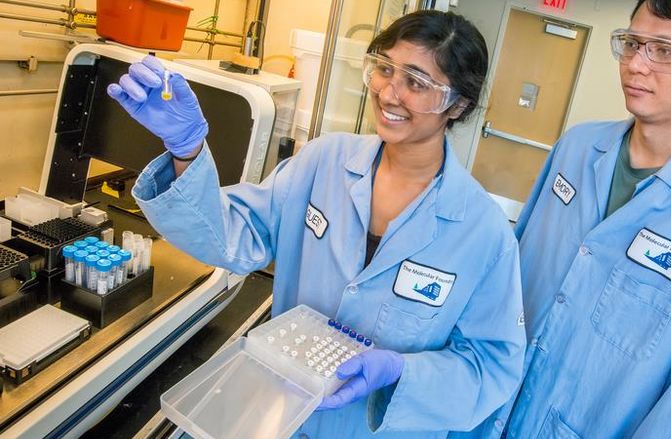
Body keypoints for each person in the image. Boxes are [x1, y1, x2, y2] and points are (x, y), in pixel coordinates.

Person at [107, 10, 526, 439]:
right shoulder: (324, 161)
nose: (389, 94)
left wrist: (403, 371)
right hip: (282, 416)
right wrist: (187, 149)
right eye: (384, 70)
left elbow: (492, 367)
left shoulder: (483, 231)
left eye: (416, 83)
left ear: (457, 104)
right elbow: (233, 235)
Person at [460, 0, 671, 438]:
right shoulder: (576, 149)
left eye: (665, 50)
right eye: (632, 43)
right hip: (484, 415)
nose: (635, 65)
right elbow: (510, 278)